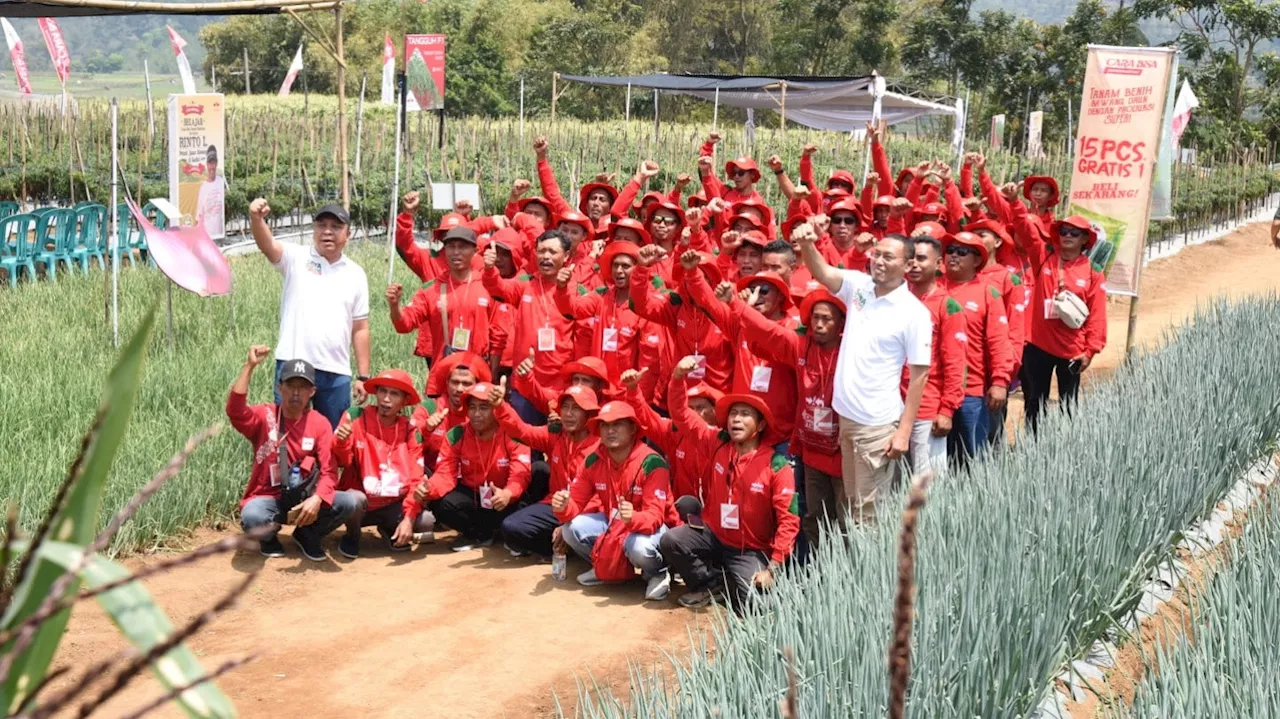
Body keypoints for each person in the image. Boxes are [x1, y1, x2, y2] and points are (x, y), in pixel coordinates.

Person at [796, 223, 932, 521]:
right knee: (852, 503)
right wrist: (807, 245)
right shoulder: (860, 287)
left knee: (867, 513)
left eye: (889, 257)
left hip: (877, 425)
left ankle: (868, 566)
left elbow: (920, 375)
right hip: (847, 419)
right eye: (877, 254)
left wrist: (903, 433)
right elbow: (823, 272)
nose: (879, 261)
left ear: (908, 265)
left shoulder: (914, 313)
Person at [660, 356, 798, 612]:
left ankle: (733, 580)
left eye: (745, 414)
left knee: (756, 605)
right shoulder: (717, 442)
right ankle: (710, 584)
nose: (736, 419)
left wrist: (773, 567)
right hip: (713, 535)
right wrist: (677, 378)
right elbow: (681, 414)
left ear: (761, 425)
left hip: (750, 549)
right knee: (672, 540)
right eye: (733, 413)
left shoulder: (776, 465)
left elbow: (789, 519)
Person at [227, 346, 362, 561]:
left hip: (306, 497)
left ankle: (308, 534)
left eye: (303, 387)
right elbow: (235, 412)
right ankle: (269, 538)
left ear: (313, 392)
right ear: (280, 388)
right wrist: (249, 366)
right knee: (253, 516)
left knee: (347, 502)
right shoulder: (266, 415)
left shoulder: (320, 423)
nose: (296, 393)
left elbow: (330, 472)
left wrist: (317, 498)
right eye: (290, 385)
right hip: (270, 497)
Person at [249, 197, 371, 428]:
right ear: (313, 229)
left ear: (349, 233)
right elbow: (268, 245)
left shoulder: (356, 274)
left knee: (333, 440)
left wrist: (364, 377)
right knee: (287, 436)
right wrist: (256, 219)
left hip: (335, 371)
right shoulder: (296, 258)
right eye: (321, 225)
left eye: (336, 227)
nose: (328, 232)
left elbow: (360, 328)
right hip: (293, 364)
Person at [550, 401, 672, 600]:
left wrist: (633, 518)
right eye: (605, 425)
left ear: (633, 428)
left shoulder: (652, 463)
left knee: (638, 546)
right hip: (614, 523)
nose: (610, 431)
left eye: (617, 425)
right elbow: (576, 504)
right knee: (570, 528)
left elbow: (655, 516)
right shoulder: (594, 459)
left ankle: (657, 573)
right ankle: (605, 566)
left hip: (652, 529)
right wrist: (563, 507)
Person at [1008, 210, 1107, 430]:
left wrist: (1090, 350)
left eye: (1075, 232)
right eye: (1064, 231)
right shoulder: (1043, 258)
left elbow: (1097, 314)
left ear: (1084, 239)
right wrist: (1015, 202)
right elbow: (1025, 229)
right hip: (1038, 345)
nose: (1068, 235)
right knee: (1035, 400)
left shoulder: (1092, 272)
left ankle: (1064, 449)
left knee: (1068, 404)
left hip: (1072, 349)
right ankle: (1034, 446)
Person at [406, 382, 533, 551]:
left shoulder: (512, 432)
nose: (477, 414)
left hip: (506, 498)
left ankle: (510, 532)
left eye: (484, 408)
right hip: (474, 498)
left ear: (496, 410)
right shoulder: (457, 434)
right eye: (472, 408)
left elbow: (520, 473)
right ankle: (479, 534)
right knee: (441, 503)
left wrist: (508, 493)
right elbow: (445, 474)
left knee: (537, 477)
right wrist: (429, 488)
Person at [491, 380, 600, 558]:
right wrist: (501, 407)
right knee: (511, 528)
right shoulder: (555, 434)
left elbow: (602, 496)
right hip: (556, 505)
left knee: (583, 528)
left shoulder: (601, 445)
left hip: (588, 512)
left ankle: (575, 541)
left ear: (589, 413)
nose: (569, 414)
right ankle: (565, 549)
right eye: (565, 407)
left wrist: (569, 525)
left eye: (576, 408)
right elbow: (522, 432)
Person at [333, 369, 434, 558]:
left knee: (426, 521)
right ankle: (353, 535)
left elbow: (415, 478)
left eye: (394, 394)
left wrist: (409, 520)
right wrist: (340, 442)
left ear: (404, 401)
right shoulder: (355, 417)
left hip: (392, 502)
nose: (386, 399)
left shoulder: (410, 430)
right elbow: (342, 462)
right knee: (354, 501)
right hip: (361, 502)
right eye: (382, 391)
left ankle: (390, 528)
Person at [482, 229, 576, 424]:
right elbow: (498, 288)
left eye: (552, 252)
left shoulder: (576, 290)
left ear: (566, 256)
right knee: (525, 446)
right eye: (541, 251)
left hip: (561, 387)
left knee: (557, 447)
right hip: (524, 384)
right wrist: (490, 269)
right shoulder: (525, 284)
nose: (546, 257)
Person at [940, 231, 1012, 464]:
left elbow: (999, 341)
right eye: (950, 250)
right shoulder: (933, 286)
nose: (953, 256)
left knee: (972, 457)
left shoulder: (987, 292)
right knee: (937, 462)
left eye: (962, 252)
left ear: (977, 260)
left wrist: (1000, 382)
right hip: (933, 391)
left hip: (971, 391)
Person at [388, 225, 496, 367]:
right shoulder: (432, 289)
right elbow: (404, 326)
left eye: (462, 247)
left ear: (475, 251)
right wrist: (394, 306)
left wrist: (493, 374)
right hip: (442, 372)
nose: (456, 252)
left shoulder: (488, 286)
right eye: (450, 247)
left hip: (478, 372)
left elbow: (498, 336)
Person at [905, 237, 966, 477]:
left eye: (921, 258)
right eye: (910, 259)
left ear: (939, 263)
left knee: (925, 485)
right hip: (893, 407)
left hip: (927, 409)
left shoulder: (947, 306)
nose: (915, 265)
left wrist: (947, 410)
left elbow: (956, 363)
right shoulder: (896, 301)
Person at [195, 144, 227, 240]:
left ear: (216, 164)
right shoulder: (203, 188)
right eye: (210, 163)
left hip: (220, 235)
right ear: (207, 165)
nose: (212, 166)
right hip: (207, 236)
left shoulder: (221, 182)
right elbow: (199, 216)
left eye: (214, 163)